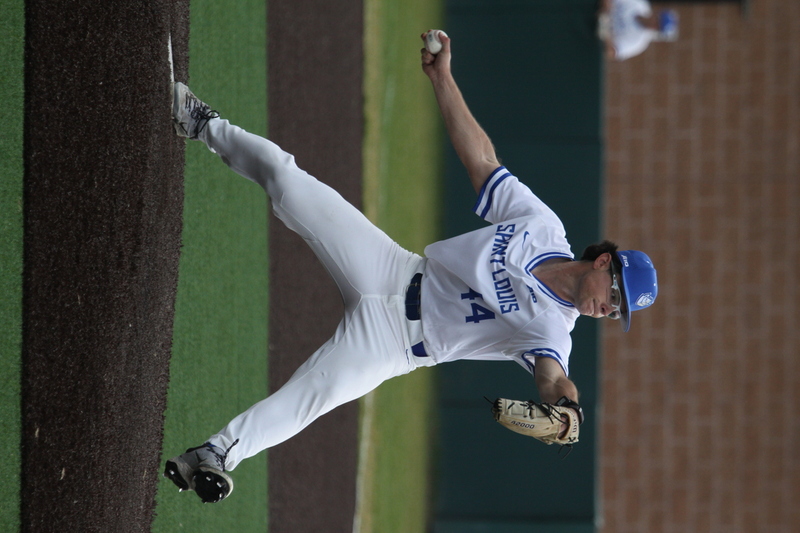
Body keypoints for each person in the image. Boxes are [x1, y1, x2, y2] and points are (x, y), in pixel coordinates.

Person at [163, 30, 658, 504]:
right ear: (604, 261)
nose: (607, 309)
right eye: (615, 295)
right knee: (290, 184)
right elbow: (482, 161)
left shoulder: (553, 329)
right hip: (393, 268)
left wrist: (568, 409)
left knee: (315, 393)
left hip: (395, 343)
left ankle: (214, 454)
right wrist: (442, 79)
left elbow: (552, 377)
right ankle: (201, 122)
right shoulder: (543, 227)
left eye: (616, 312)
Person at [597, 0, 679, 61]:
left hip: (593, 36)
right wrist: (606, 10)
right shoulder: (639, 4)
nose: (654, 26)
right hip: (593, 9)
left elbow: (612, 52)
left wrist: (605, 34)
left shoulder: (639, 42)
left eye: (658, 29)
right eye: (657, 22)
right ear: (657, 14)